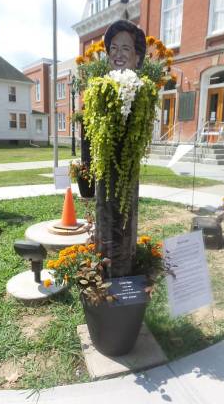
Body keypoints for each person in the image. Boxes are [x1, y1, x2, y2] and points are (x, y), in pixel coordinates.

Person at [95, 20, 147, 277]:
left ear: (137, 57)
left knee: (125, 217)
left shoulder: (141, 90)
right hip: (106, 173)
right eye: (113, 48)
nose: (118, 54)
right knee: (106, 211)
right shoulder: (101, 89)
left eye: (126, 49)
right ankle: (104, 273)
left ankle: (124, 272)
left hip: (128, 174)